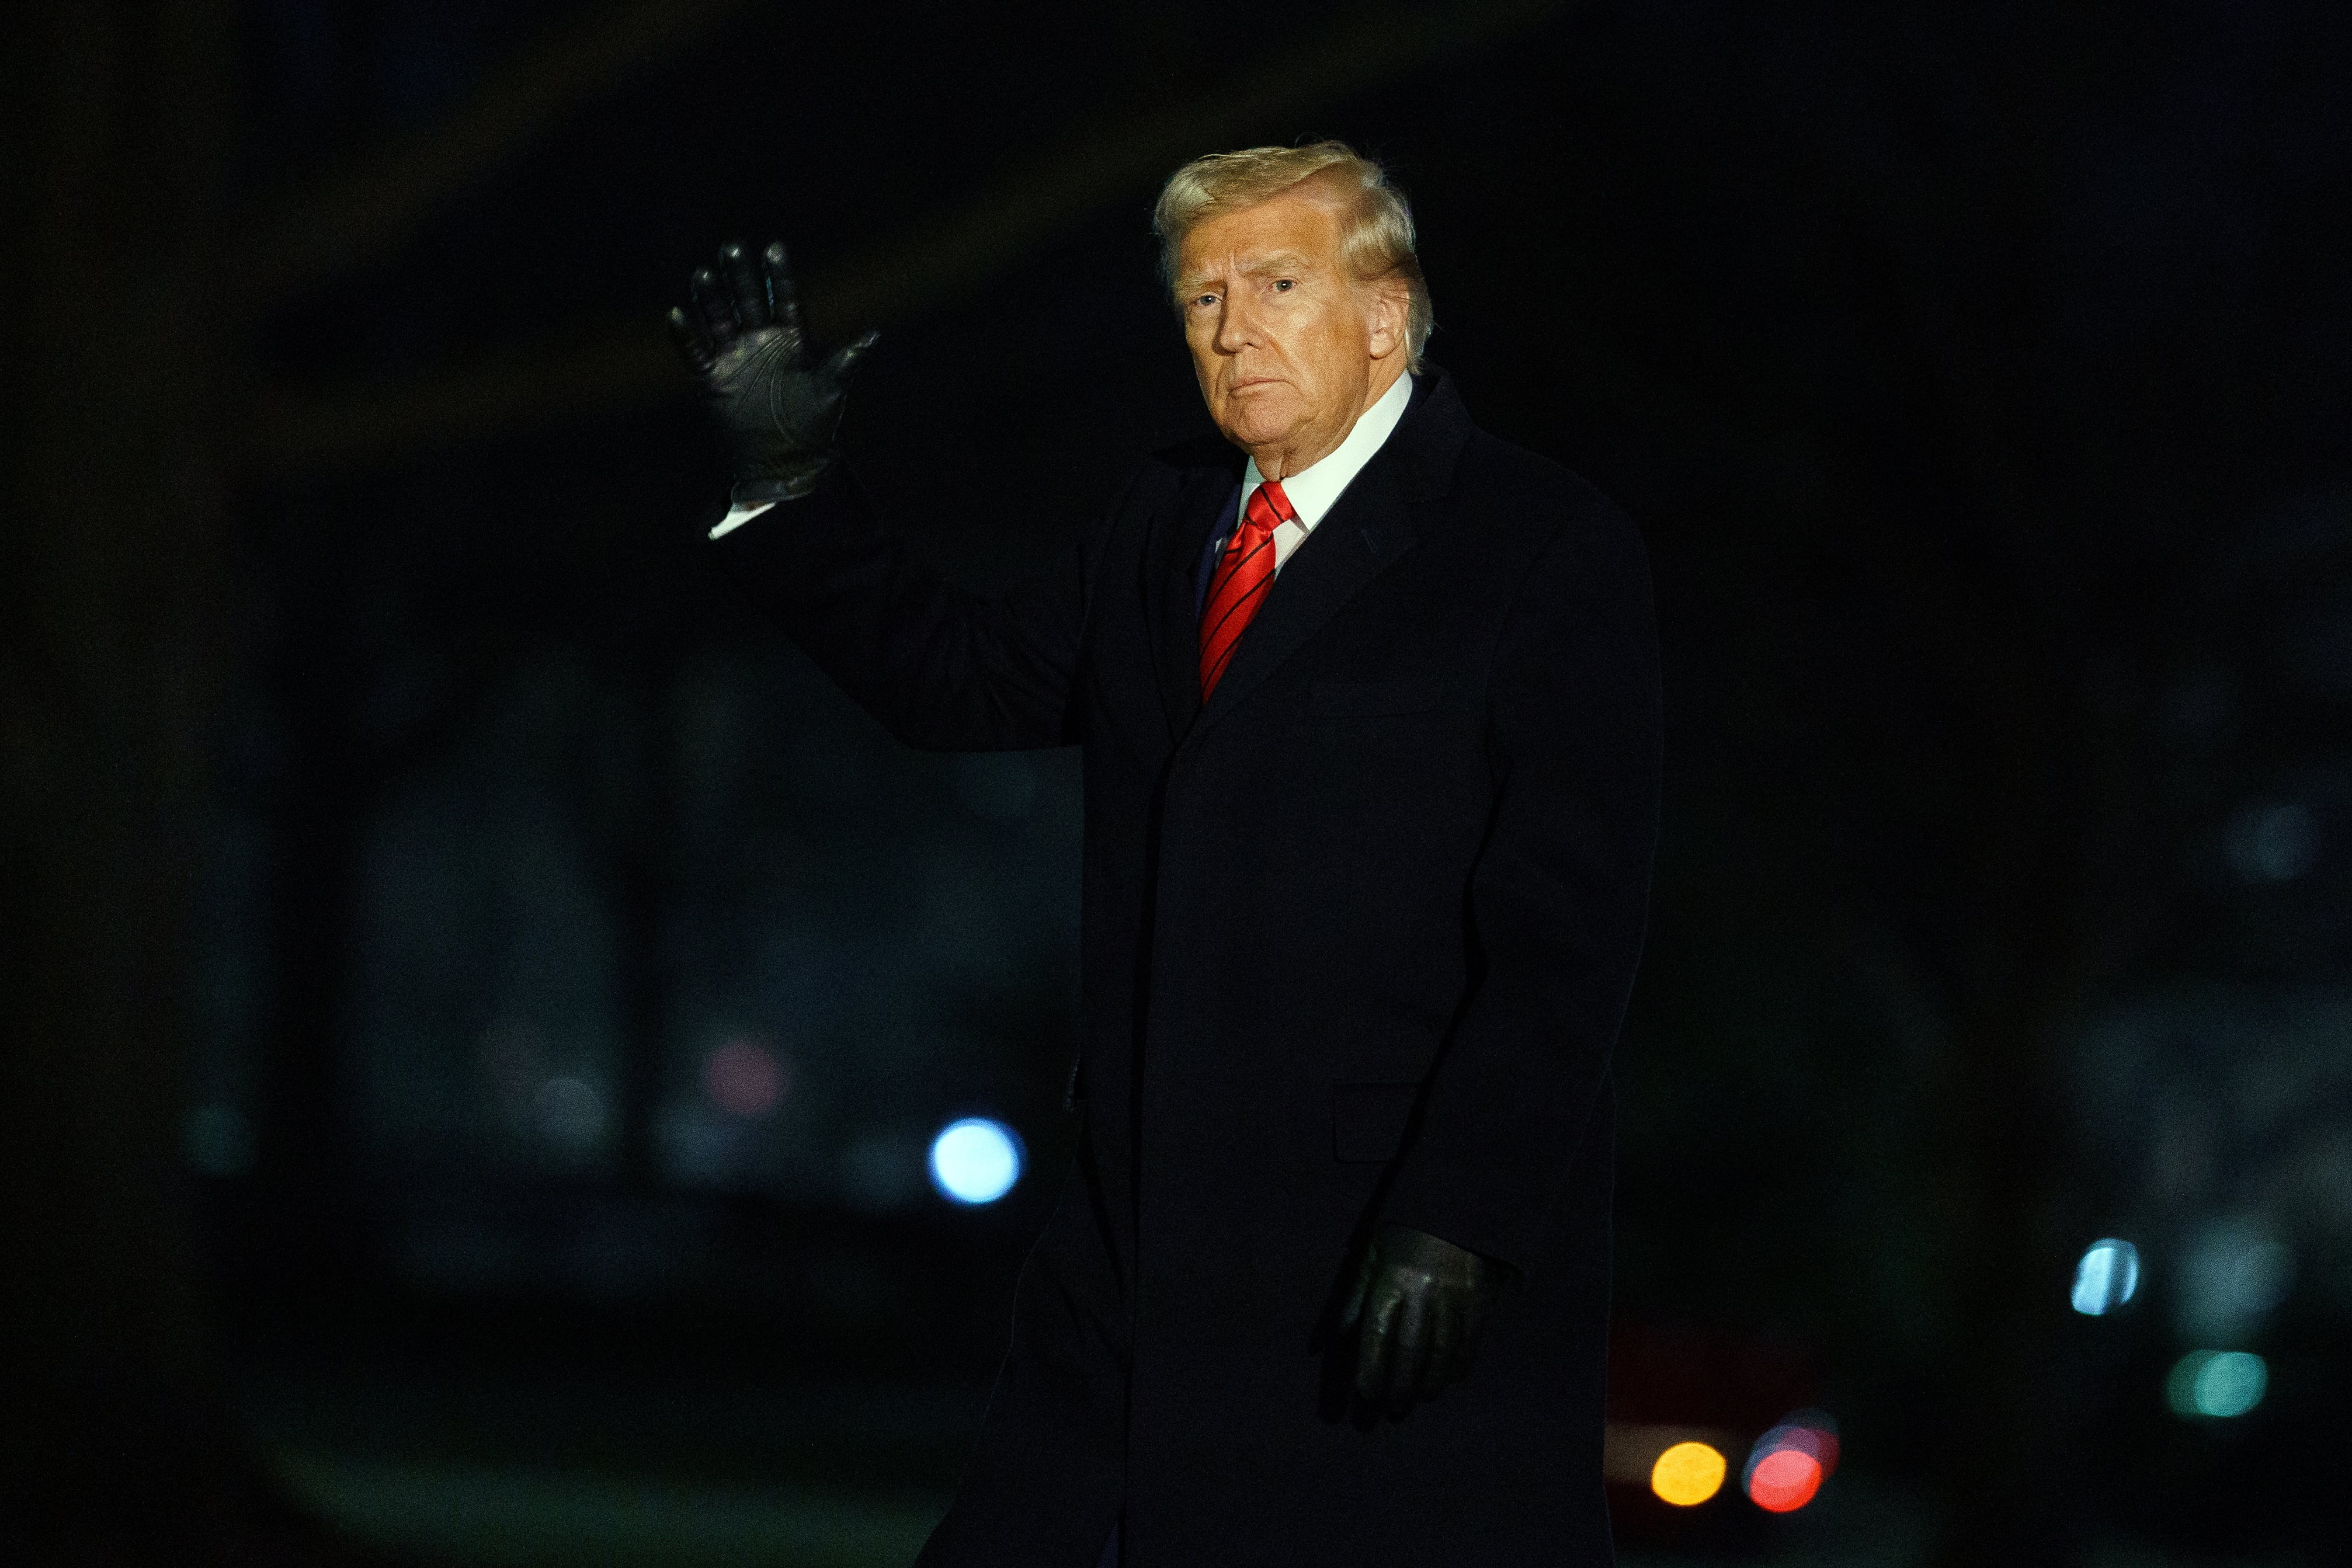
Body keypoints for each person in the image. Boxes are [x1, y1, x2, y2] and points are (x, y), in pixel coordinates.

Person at [667, 141, 1661, 1567]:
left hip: (1374, 1249)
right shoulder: (1166, 517)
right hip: (1130, 1243)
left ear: (1387, 314)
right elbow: (958, 681)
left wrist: (1464, 1213)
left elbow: (1566, 933)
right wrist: (793, 480)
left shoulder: (1540, 546)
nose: (1230, 327)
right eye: (1200, 298)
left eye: (1275, 282)